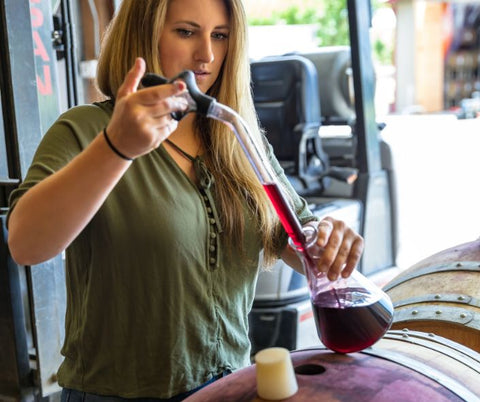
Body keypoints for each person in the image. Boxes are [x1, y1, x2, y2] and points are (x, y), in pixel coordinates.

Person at [7, 0, 364, 400]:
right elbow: (25, 243)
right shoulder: (86, 130)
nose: (207, 54)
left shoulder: (236, 137)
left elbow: (296, 234)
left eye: (220, 36)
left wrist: (325, 240)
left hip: (230, 388)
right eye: (186, 31)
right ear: (144, 34)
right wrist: (115, 149)